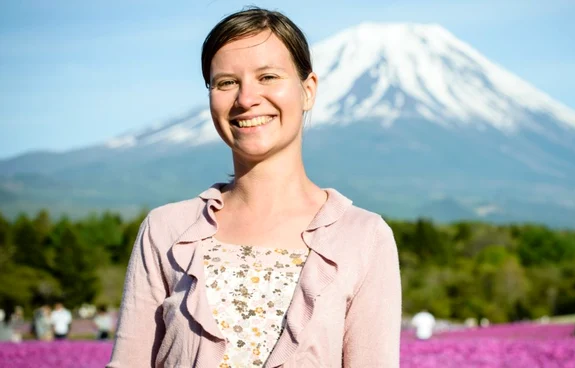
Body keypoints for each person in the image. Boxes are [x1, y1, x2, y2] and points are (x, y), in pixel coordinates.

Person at [108, 7, 401, 368]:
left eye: (268, 76)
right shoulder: (166, 230)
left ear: (308, 90)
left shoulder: (363, 237)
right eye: (226, 82)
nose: (246, 99)